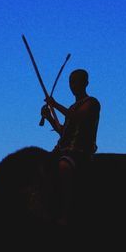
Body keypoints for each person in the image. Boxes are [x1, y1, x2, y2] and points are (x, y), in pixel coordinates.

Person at [40, 68, 100, 226]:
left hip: (79, 153)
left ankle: (66, 212)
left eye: (77, 81)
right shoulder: (72, 107)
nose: (73, 85)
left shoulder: (92, 103)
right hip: (62, 149)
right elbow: (63, 131)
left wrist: (55, 104)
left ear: (85, 83)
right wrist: (49, 118)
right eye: (71, 82)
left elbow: (78, 118)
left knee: (63, 167)